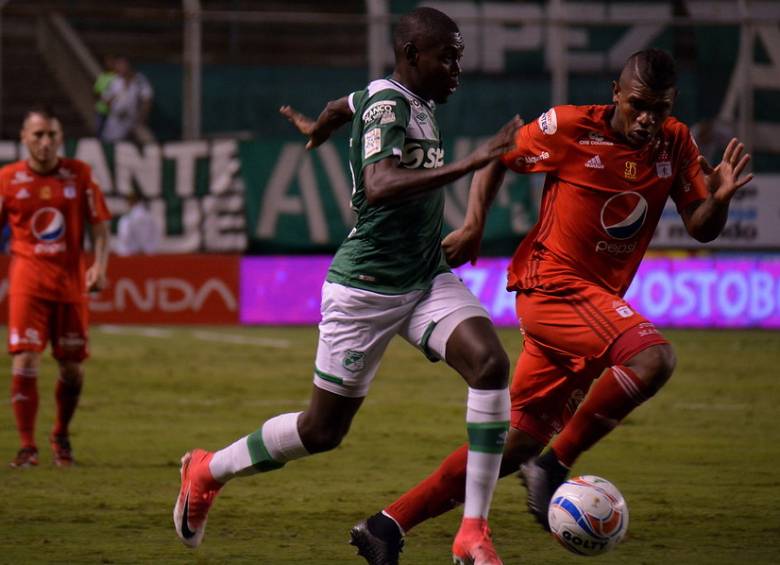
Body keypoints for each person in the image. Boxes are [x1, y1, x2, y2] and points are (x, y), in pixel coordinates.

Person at [285, 48, 753, 564]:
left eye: (659, 108)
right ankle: (556, 464)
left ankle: (387, 526)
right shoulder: (570, 127)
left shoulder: (676, 141)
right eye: (638, 104)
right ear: (616, 93)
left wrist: (721, 198)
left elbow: (700, 226)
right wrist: (474, 225)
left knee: (512, 444)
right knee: (652, 358)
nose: (647, 119)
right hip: (554, 288)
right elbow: (499, 159)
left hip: (594, 306)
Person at [173, 8, 522, 564]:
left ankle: (473, 532)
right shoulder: (391, 104)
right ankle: (208, 469)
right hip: (365, 288)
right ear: (411, 55)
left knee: (490, 365)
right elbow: (381, 184)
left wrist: (321, 124)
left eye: (459, 55)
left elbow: (347, 103)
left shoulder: (397, 98)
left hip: (424, 275)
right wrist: (471, 162)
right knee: (321, 431)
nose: (458, 67)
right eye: (447, 57)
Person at [0, 106, 112, 468]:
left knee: (72, 369)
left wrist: (99, 264)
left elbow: (100, 225)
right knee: (25, 358)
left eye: (51, 135)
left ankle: (60, 435)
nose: (45, 142)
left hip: (70, 283)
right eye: (38, 135)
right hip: (27, 281)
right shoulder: (7, 179)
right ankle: (27, 447)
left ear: (60, 138)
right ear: (24, 138)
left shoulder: (79, 175)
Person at [100, 57, 154, 144]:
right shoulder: (115, 81)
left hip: (134, 119)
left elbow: (147, 99)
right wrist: (114, 110)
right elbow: (105, 98)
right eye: (118, 66)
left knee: (148, 143)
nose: (120, 68)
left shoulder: (140, 80)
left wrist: (141, 117)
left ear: (129, 66)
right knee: (111, 142)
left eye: (122, 65)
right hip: (117, 119)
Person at [113, 191, 161, 255]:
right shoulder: (150, 217)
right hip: (147, 253)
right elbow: (156, 234)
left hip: (129, 254)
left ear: (129, 202)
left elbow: (124, 237)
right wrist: (149, 248)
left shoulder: (126, 219)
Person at [93, 54, 116, 138]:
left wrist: (109, 101)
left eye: (111, 61)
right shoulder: (102, 76)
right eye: (107, 62)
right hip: (101, 109)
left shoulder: (117, 77)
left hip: (112, 111)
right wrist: (103, 98)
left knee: (110, 133)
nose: (108, 63)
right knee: (99, 132)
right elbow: (96, 91)